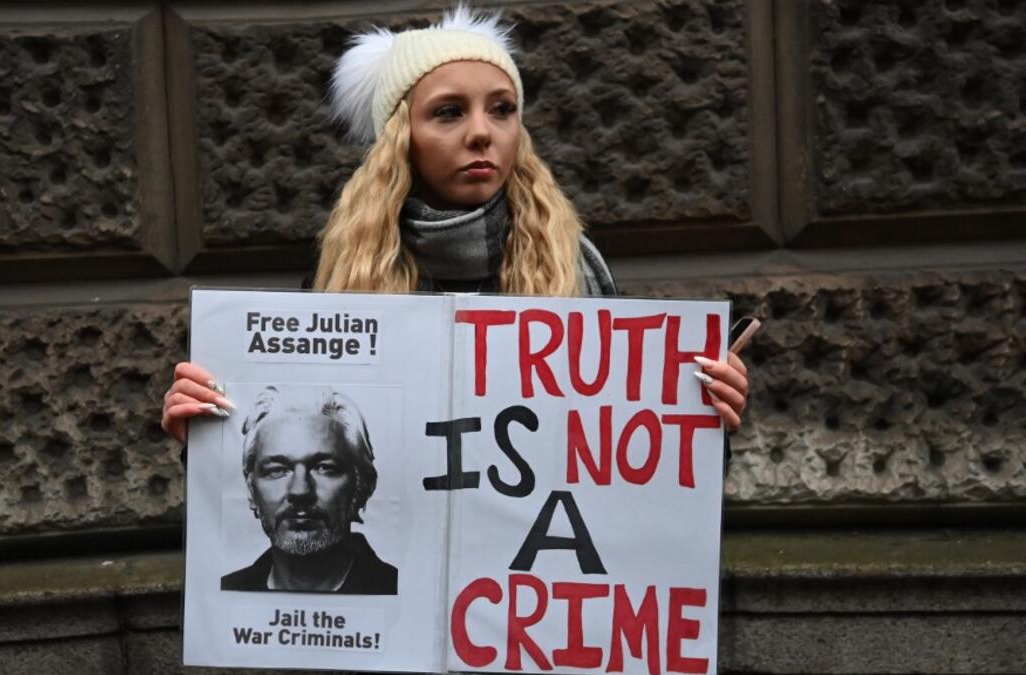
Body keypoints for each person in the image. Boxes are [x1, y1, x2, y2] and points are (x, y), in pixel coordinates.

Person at [162, 5, 749, 470]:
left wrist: (702, 419)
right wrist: (207, 429)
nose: (481, 133)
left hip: (531, 596)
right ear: (400, 137)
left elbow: (633, 472)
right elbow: (292, 454)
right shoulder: (340, 278)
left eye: (502, 109)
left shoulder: (575, 267)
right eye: (448, 112)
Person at [219, 386, 397, 594]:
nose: (300, 491)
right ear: (251, 490)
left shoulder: (403, 592)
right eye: (277, 470)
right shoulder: (225, 593)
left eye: (325, 468)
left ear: (362, 485)